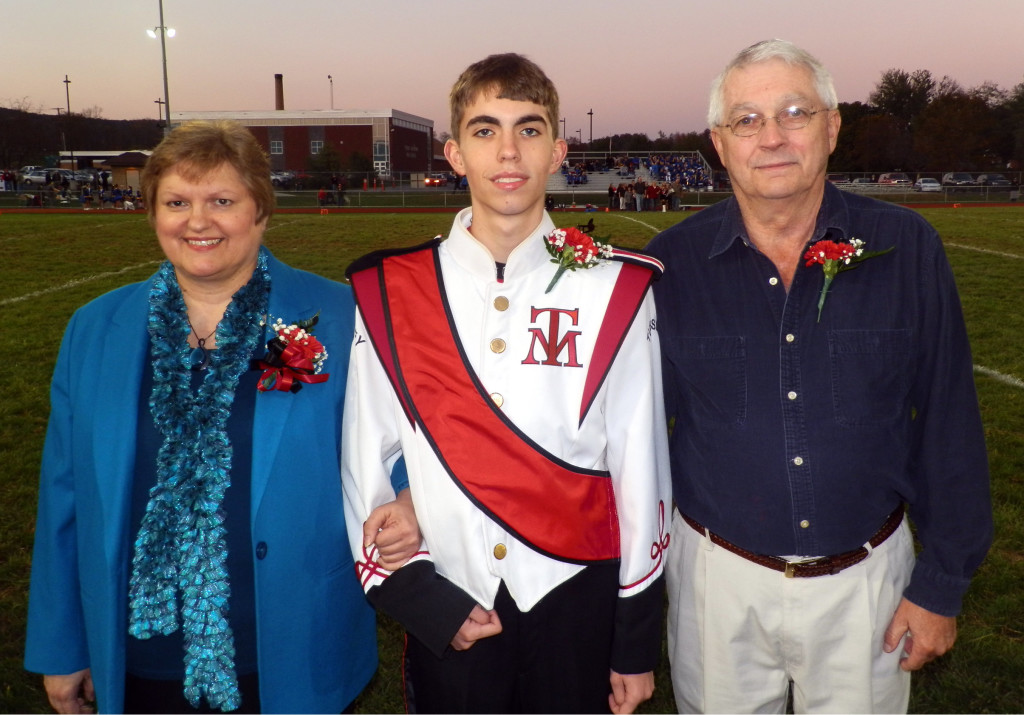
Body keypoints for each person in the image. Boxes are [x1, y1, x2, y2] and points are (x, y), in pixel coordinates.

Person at [24, 120, 419, 714]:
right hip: (134, 652)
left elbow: (406, 442)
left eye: (222, 201)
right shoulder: (95, 330)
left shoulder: (340, 317)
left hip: (290, 636)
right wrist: (60, 646)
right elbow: (64, 498)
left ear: (259, 210)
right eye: (177, 202)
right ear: (153, 213)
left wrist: (413, 501)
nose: (198, 221)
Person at [646, 39, 992, 713]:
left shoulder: (908, 248)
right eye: (747, 120)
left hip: (867, 583)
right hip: (720, 583)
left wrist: (940, 584)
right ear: (720, 143)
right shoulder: (670, 265)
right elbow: (629, 435)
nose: (771, 137)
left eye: (795, 112)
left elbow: (949, 421)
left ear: (832, 127)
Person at [341, 53, 671, 714]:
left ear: (558, 150)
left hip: (578, 593)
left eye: (529, 127)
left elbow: (642, 466)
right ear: (455, 153)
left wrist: (634, 637)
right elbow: (361, 462)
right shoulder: (391, 289)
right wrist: (416, 596)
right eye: (485, 130)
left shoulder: (617, 287)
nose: (509, 150)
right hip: (453, 592)